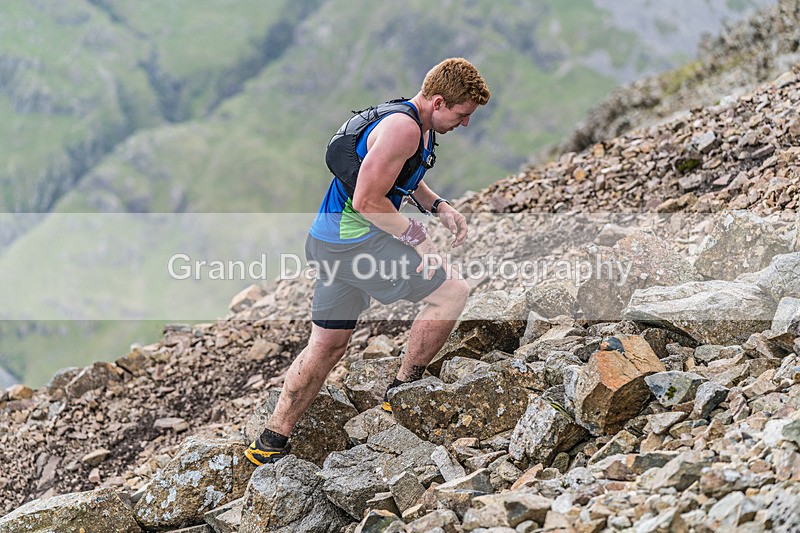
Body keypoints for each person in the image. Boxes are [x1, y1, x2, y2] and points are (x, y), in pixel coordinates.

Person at [245, 58, 490, 466]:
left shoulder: (413, 123)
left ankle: (270, 440)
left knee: (327, 345)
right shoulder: (403, 129)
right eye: (462, 115)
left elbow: (399, 176)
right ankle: (403, 393)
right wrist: (419, 239)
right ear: (440, 101)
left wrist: (437, 206)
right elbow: (367, 201)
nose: (465, 124)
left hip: (330, 243)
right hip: (353, 244)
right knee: (452, 291)